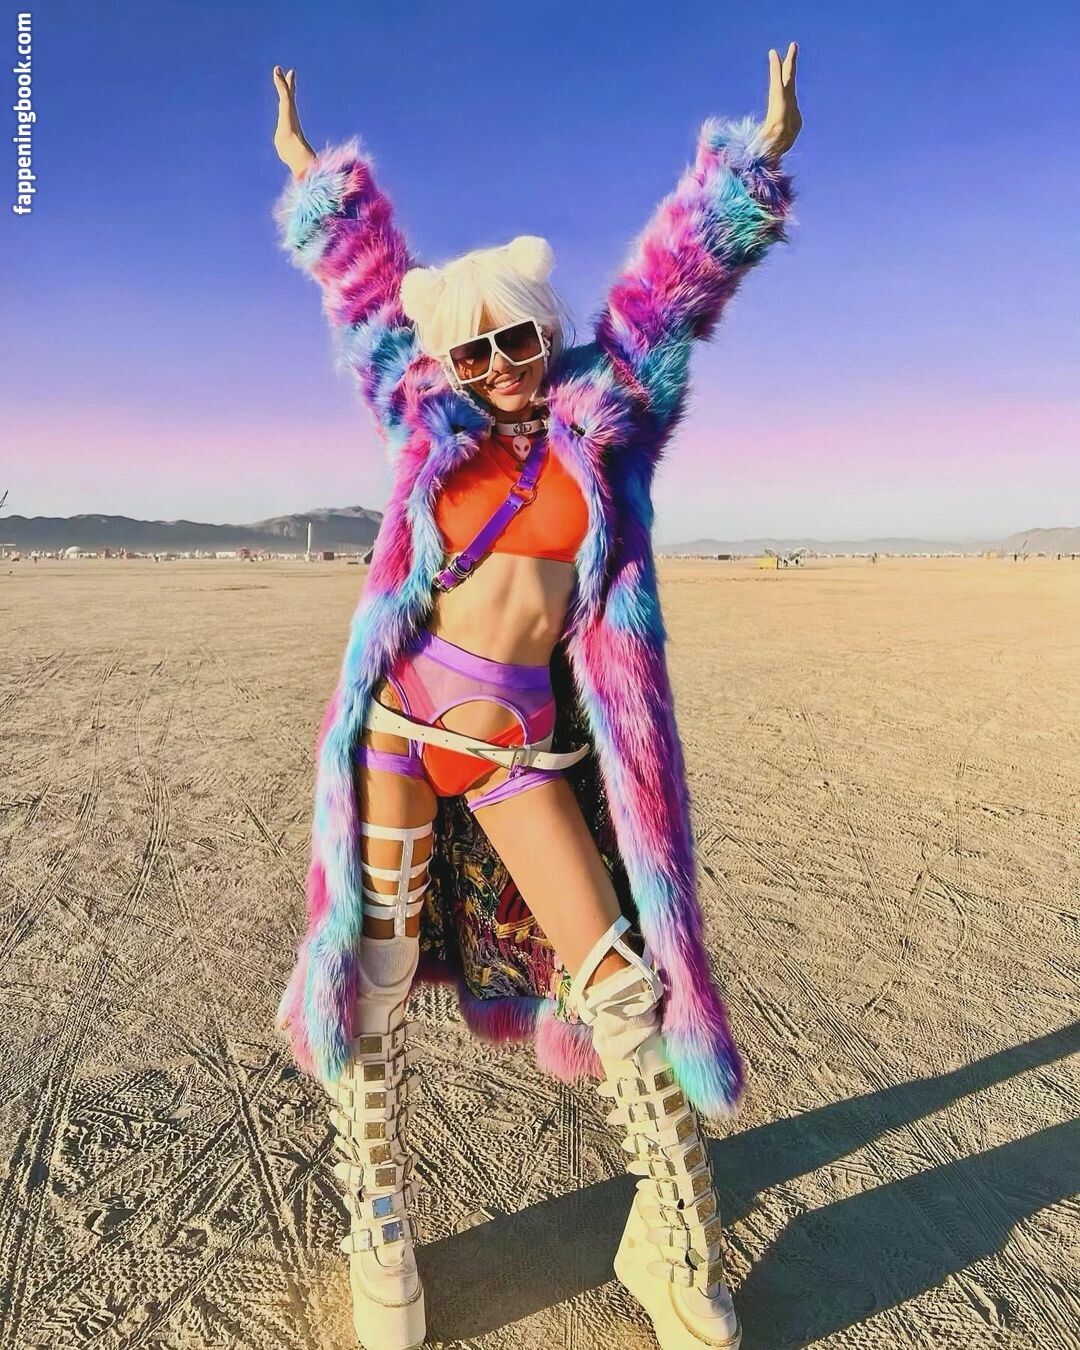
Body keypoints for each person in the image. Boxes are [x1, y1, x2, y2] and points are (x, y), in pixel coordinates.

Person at [271, 47, 801, 1350]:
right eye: (479, 347)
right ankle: (380, 1228)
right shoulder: (421, 423)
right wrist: (316, 179)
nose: (506, 361)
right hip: (398, 731)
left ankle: (669, 1233)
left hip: (518, 747)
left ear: (546, 331)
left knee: (621, 983)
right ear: (449, 361)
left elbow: (671, 294)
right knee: (377, 972)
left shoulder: (608, 419)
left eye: (521, 335)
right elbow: (365, 298)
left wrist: (749, 165)